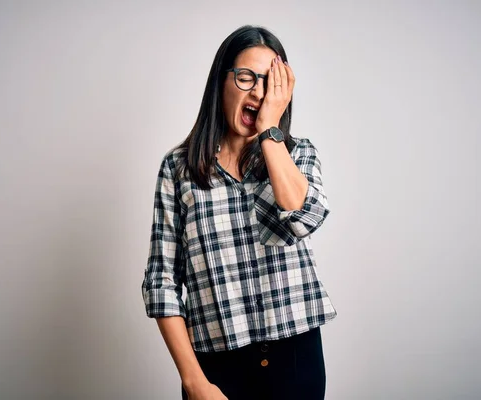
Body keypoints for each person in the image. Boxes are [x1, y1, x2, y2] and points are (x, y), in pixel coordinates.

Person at [141, 25, 337, 400]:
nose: (258, 92)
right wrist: (194, 382)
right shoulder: (179, 169)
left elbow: (304, 217)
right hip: (216, 368)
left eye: (270, 83)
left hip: (295, 358)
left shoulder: (298, 155)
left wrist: (269, 130)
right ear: (222, 81)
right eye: (247, 77)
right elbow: (162, 283)